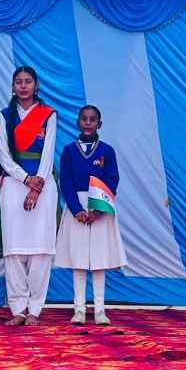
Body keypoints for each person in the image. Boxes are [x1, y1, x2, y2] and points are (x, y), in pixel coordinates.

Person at [0, 66, 58, 326]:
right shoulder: (4, 116)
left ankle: (35, 309)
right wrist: (24, 179)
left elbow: (48, 153)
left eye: (28, 81)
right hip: (13, 185)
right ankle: (18, 309)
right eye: (19, 82)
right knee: (14, 249)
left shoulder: (48, 115)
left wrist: (36, 185)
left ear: (36, 85)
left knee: (40, 249)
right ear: (12, 86)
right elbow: (3, 156)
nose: (23, 86)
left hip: (43, 186)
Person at [55, 105, 126, 325]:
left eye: (92, 119)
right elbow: (65, 181)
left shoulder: (107, 151)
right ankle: (78, 309)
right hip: (76, 207)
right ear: (78, 122)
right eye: (84, 119)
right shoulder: (69, 151)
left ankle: (100, 310)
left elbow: (112, 180)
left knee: (98, 259)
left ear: (99, 124)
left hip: (100, 206)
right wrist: (76, 209)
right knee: (78, 259)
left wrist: (98, 210)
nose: (88, 123)